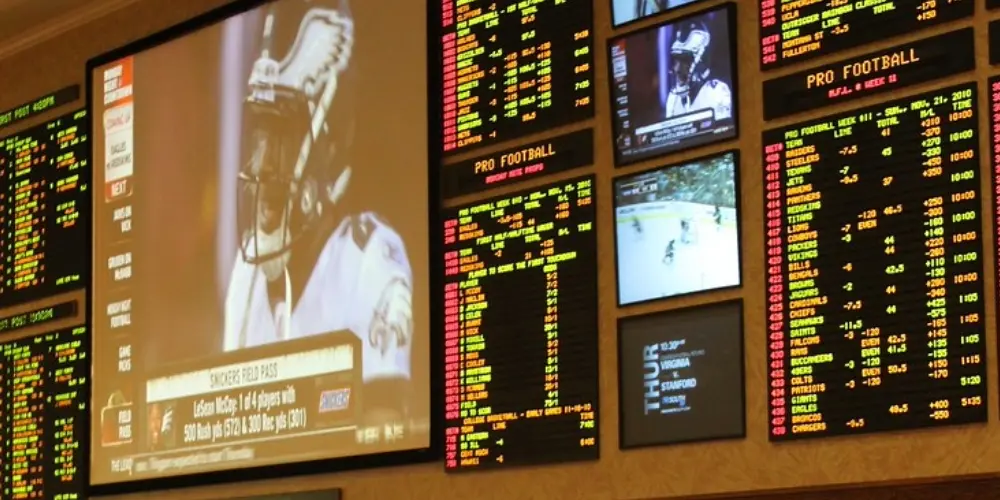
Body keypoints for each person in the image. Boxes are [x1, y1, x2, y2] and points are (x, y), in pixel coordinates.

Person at [222, 0, 415, 419]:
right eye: (259, 138)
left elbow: (382, 432)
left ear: (330, 145)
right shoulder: (247, 273)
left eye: (280, 138)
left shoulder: (368, 259)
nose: (261, 165)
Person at [664, 19, 732, 122]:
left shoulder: (716, 92)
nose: (677, 69)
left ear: (702, 61)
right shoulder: (673, 99)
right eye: (676, 61)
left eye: (685, 61)